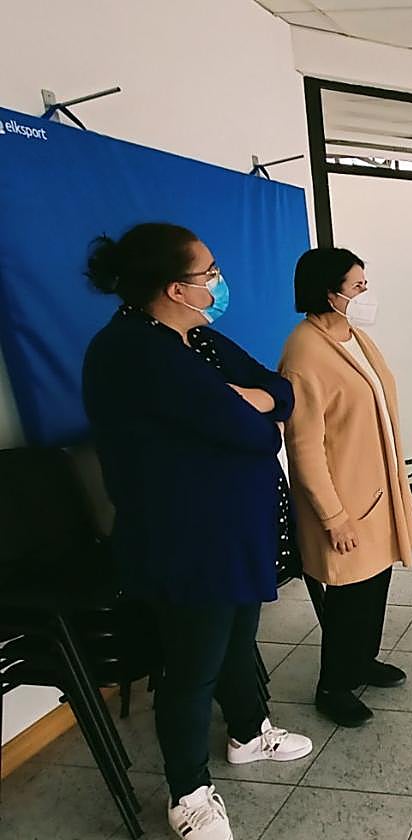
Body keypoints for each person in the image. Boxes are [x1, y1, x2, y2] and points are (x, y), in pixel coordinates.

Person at [82, 223, 313, 840]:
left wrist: (249, 402)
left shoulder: (199, 339)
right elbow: (252, 431)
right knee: (191, 668)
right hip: (185, 538)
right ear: (174, 288)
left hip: (235, 528)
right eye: (207, 272)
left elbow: (282, 391)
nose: (217, 280)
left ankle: (248, 733)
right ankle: (186, 793)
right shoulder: (133, 350)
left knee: (237, 640)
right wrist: (255, 411)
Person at [279, 247, 412, 728]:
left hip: (376, 495)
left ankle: (362, 661)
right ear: (329, 293)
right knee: (348, 597)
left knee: (374, 584)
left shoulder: (353, 337)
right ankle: (333, 686)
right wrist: (333, 516)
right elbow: (304, 447)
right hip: (344, 503)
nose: (365, 294)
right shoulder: (304, 353)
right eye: (357, 286)